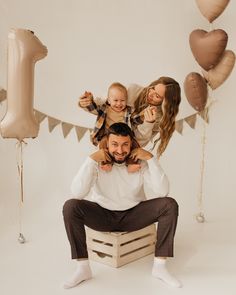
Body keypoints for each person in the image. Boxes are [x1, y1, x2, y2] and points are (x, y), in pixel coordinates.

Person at [62, 122, 181, 289]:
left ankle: (160, 267)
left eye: (125, 144)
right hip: (102, 215)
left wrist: (150, 158)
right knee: (70, 206)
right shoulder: (97, 162)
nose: (120, 150)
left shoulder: (140, 162)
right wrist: (90, 160)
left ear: (131, 143)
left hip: (134, 215)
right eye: (115, 144)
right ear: (107, 144)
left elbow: (163, 191)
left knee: (169, 205)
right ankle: (83, 268)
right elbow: (77, 193)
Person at [78, 82, 147, 172]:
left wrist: (144, 114)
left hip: (124, 137)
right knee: (103, 146)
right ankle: (106, 163)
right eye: (115, 100)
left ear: (127, 100)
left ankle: (131, 164)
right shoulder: (104, 109)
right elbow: (93, 108)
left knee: (134, 146)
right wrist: (89, 102)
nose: (119, 104)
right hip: (107, 136)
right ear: (109, 100)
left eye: (122, 100)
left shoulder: (128, 111)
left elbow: (136, 119)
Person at [128, 76, 181, 157]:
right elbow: (109, 101)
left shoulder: (159, 119)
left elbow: (138, 144)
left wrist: (148, 124)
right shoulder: (134, 91)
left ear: (165, 103)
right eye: (153, 88)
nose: (150, 94)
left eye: (157, 96)